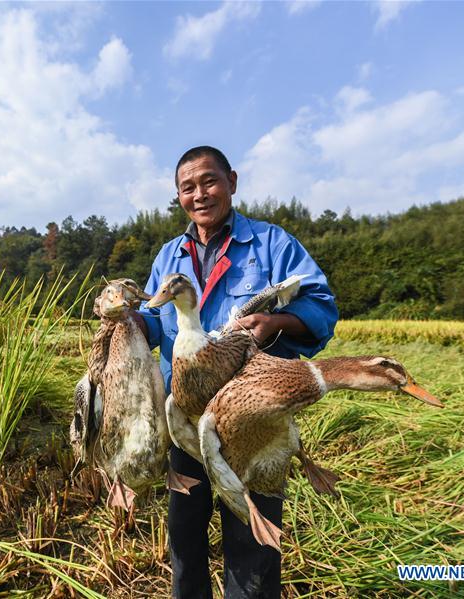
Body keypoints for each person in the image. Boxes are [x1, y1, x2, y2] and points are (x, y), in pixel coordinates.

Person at [136, 146, 338, 598]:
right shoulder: (169, 258)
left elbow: (322, 307)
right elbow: (152, 318)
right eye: (187, 187)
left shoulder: (271, 244)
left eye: (209, 181)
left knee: (251, 548)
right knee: (184, 542)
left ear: (232, 181)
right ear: (179, 196)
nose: (200, 194)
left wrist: (277, 323)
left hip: (251, 425)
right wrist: (128, 322)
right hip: (186, 423)